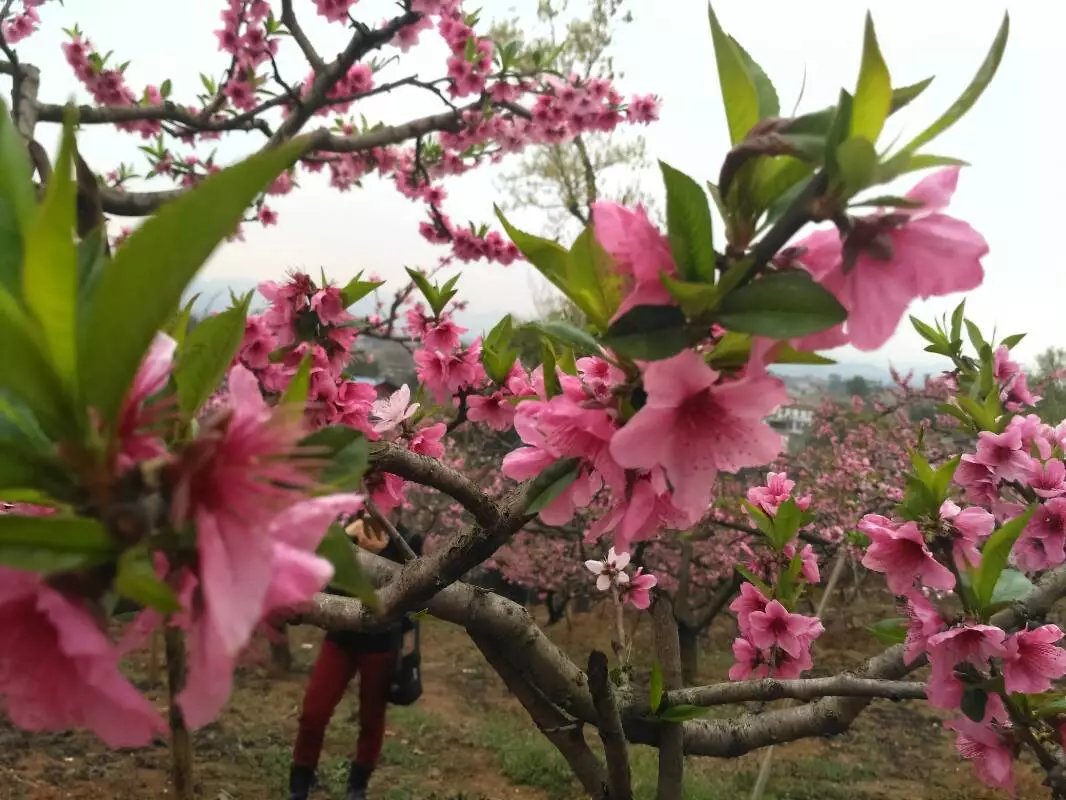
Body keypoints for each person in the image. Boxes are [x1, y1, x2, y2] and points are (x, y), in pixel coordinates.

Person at [288, 513, 421, 800]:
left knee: (371, 718)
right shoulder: (344, 535)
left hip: (382, 644)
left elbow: (414, 600)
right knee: (313, 713)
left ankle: (357, 787)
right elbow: (327, 585)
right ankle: (300, 785)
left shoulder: (408, 541)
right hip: (341, 638)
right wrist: (349, 545)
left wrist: (409, 646)